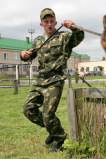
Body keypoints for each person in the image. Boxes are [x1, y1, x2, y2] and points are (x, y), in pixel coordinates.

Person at [20, 8, 84, 153]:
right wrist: (23, 55)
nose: (49, 24)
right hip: (40, 80)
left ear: (55, 22)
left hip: (55, 80)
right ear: (41, 24)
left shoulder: (64, 37)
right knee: (28, 109)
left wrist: (73, 27)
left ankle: (61, 140)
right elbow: (29, 54)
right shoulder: (38, 41)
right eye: (46, 21)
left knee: (48, 114)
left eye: (51, 21)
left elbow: (79, 37)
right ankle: (52, 128)